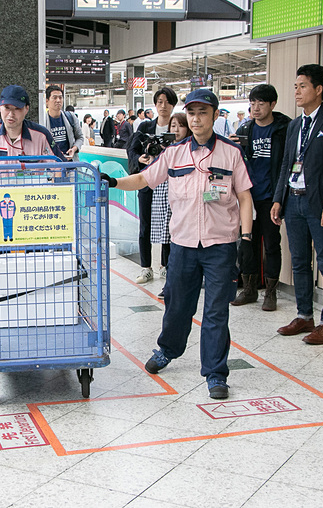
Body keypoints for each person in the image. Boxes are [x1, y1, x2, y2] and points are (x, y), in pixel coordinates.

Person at [101, 89, 253, 400]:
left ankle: (215, 373)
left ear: (214, 115)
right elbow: (144, 179)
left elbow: (245, 196)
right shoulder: (174, 153)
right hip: (183, 244)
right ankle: (167, 350)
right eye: (192, 113)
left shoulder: (230, 153)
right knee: (177, 305)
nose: (197, 119)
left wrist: (247, 238)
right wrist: (114, 182)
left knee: (215, 311)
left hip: (220, 245)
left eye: (203, 113)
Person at [271, 64, 323, 345]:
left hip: (320, 204)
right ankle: (305, 316)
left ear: (318, 90)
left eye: (302, 86)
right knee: (300, 262)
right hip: (293, 202)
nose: (296, 91)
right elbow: (285, 164)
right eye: (295, 86)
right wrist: (278, 199)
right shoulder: (294, 125)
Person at [230, 84, 291, 311]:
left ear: (272, 105)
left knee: (272, 244)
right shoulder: (245, 130)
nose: (255, 108)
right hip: (247, 198)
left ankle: (271, 292)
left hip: (271, 197)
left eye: (261, 103)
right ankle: (249, 289)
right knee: (247, 244)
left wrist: (280, 198)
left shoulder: (283, 129)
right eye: (252, 103)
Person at [126, 87, 178, 284]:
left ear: (173, 105)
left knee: (169, 224)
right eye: (159, 102)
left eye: (167, 102)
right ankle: (146, 267)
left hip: (171, 183)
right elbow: (131, 150)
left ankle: (166, 266)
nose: (163, 106)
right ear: (155, 105)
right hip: (147, 181)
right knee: (145, 223)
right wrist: (141, 158)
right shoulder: (145, 128)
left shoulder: (178, 127)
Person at [0, 85, 65, 162]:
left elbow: (60, 166)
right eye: (7, 108)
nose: (11, 114)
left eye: (17, 108)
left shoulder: (41, 135)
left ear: (26, 109)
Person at [151, 112, 190, 299]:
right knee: (167, 239)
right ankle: (169, 283)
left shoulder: (191, 149)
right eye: (172, 126)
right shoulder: (165, 150)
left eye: (180, 126)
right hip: (165, 197)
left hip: (185, 205)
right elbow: (148, 175)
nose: (175, 130)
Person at [43, 85, 84, 160]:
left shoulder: (70, 117)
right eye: (54, 97)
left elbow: (80, 137)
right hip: (51, 167)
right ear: (47, 101)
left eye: (60, 97)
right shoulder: (42, 121)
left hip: (70, 165)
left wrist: (74, 149)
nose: (58, 100)